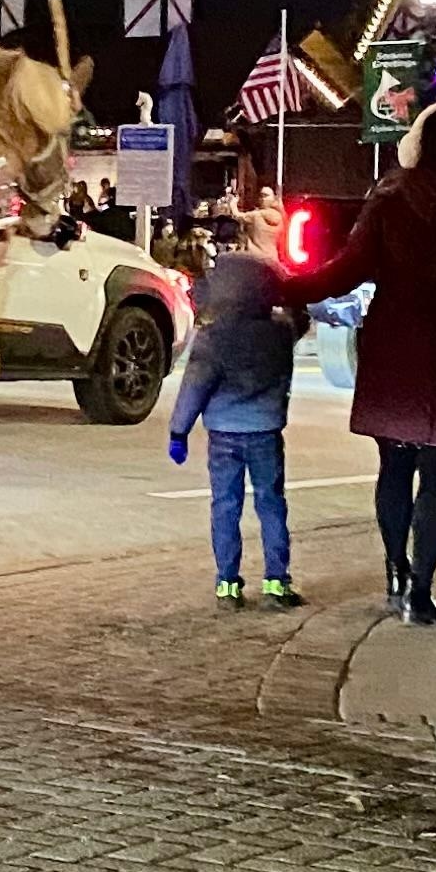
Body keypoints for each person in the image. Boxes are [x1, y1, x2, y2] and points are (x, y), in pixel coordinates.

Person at [286, 99, 436, 624]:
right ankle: (422, 594)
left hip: (394, 349)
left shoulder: (389, 197)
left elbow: (346, 272)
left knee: (393, 470)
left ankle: (395, 571)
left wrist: (281, 286)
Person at [167, 220, 306, 608]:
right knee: (271, 504)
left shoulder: (215, 337)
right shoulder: (279, 333)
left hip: (223, 435)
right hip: (265, 432)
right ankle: (277, 582)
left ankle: (228, 583)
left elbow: (196, 384)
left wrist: (179, 432)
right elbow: (299, 317)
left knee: (225, 506)